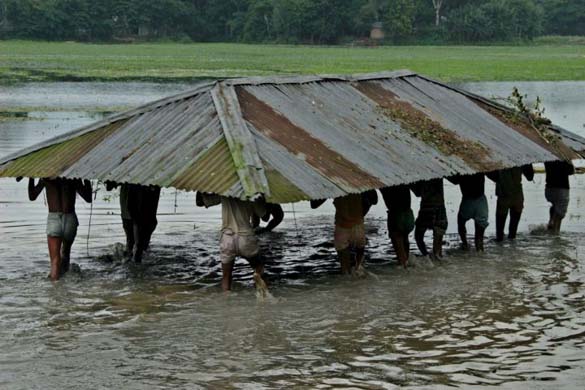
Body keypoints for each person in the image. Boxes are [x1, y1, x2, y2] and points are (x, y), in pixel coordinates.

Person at [27, 177, 92, 281]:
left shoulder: (46, 177)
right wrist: (86, 178)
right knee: (66, 253)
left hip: (54, 220)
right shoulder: (74, 177)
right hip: (70, 219)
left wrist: (31, 177)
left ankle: (56, 289)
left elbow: (32, 196)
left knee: (55, 261)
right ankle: (65, 284)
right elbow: (88, 198)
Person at [215, 195, 267, 293]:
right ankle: (260, 292)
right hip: (245, 237)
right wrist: (263, 199)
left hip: (227, 237)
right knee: (258, 267)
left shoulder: (223, 191)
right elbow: (265, 217)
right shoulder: (252, 193)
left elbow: (201, 202)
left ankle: (226, 299)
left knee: (226, 275)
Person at [311, 193, 366, 275]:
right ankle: (358, 272)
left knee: (345, 270)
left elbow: (314, 205)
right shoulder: (358, 187)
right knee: (358, 266)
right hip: (358, 224)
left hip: (342, 226)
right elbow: (374, 199)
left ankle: (348, 280)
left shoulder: (336, 189)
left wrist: (327, 192)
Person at [106, 182, 161, 263]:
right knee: (139, 247)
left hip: (130, 210)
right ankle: (136, 268)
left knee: (132, 244)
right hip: (142, 211)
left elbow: (109, 186)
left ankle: (130, 266)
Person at [487, 165, 534, 241]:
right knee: (512, 234)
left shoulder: (499, 160)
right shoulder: (519, 158)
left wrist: (500, 179)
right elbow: (530, 177)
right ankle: (512, 249)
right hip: (517, 196)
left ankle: (501, 249)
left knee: (499, 236)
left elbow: (488, 172)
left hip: (503, 195)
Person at [448, 173, 489, 251]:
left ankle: (465, 243)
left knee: (461, 221)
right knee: (479, 236)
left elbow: (455, 181)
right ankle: (480, 253)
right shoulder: (479, 168)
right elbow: (492, 175)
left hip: (467, 201)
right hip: (481, 202)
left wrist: (444, 174)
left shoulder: (463, 171)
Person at [412, 178, 447, 260]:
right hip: (439, 209)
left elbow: (418, 193)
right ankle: (437, 259)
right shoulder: (438, 172)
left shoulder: (422, 175)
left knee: (418, 237)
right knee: (438, 248)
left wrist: (410, 185)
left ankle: (426, 256)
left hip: (426, 209)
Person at [380, 185, 414, 268]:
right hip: (409, 215)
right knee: (405, 238)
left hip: (396, 214)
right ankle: (407, 261)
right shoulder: (404, 182)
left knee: (398, 241)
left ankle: (403, 266)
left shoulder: (386, 185)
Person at [545, 160, 575, 234]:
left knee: (555, 205)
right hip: (562, 188)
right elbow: (571, 171)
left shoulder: (547, 157)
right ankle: (555, 234)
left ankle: (551, 220)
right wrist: (570, 161)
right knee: (560, 214)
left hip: (549, 188)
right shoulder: (563, 157)